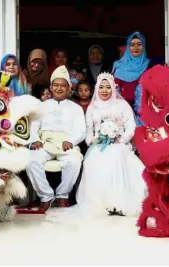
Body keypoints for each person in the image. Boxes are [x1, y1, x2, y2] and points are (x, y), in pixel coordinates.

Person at [46, 72, 146, 221]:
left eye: (107, 87)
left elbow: (131, 126)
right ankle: (102, 203)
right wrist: (92, 141)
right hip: (99, 145)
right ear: (96, 89)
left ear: (113, 88)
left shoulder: (122, 105)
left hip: (119, 144)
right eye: (101, 87)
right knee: (91, 161)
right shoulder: (93, 107)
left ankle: (118, 202)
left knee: (116, 156)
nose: (104, 90)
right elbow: (88, 131)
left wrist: (122, 140)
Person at [26, 65, 86, 212]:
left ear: (69, 88)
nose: (59, 89)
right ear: (51, 87)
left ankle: (62, 195)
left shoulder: (75, 108)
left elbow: (81, 130)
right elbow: (34, 126)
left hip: (66, 142)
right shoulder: (41, 106)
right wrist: (34, 140)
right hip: (45, 142)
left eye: (63, 86)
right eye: (56, 85)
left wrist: (71, 141)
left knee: (74, 161)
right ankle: (46, 196)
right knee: (31, 160)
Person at [112, 32, 161, 126]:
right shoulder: (118, 65)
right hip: (122, 113)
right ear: (128, 47)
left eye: (139, 44)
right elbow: (113, 89)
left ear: (144, 46)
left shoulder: (151, 65)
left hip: (144, 113)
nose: (136, 47)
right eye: (132, 45)